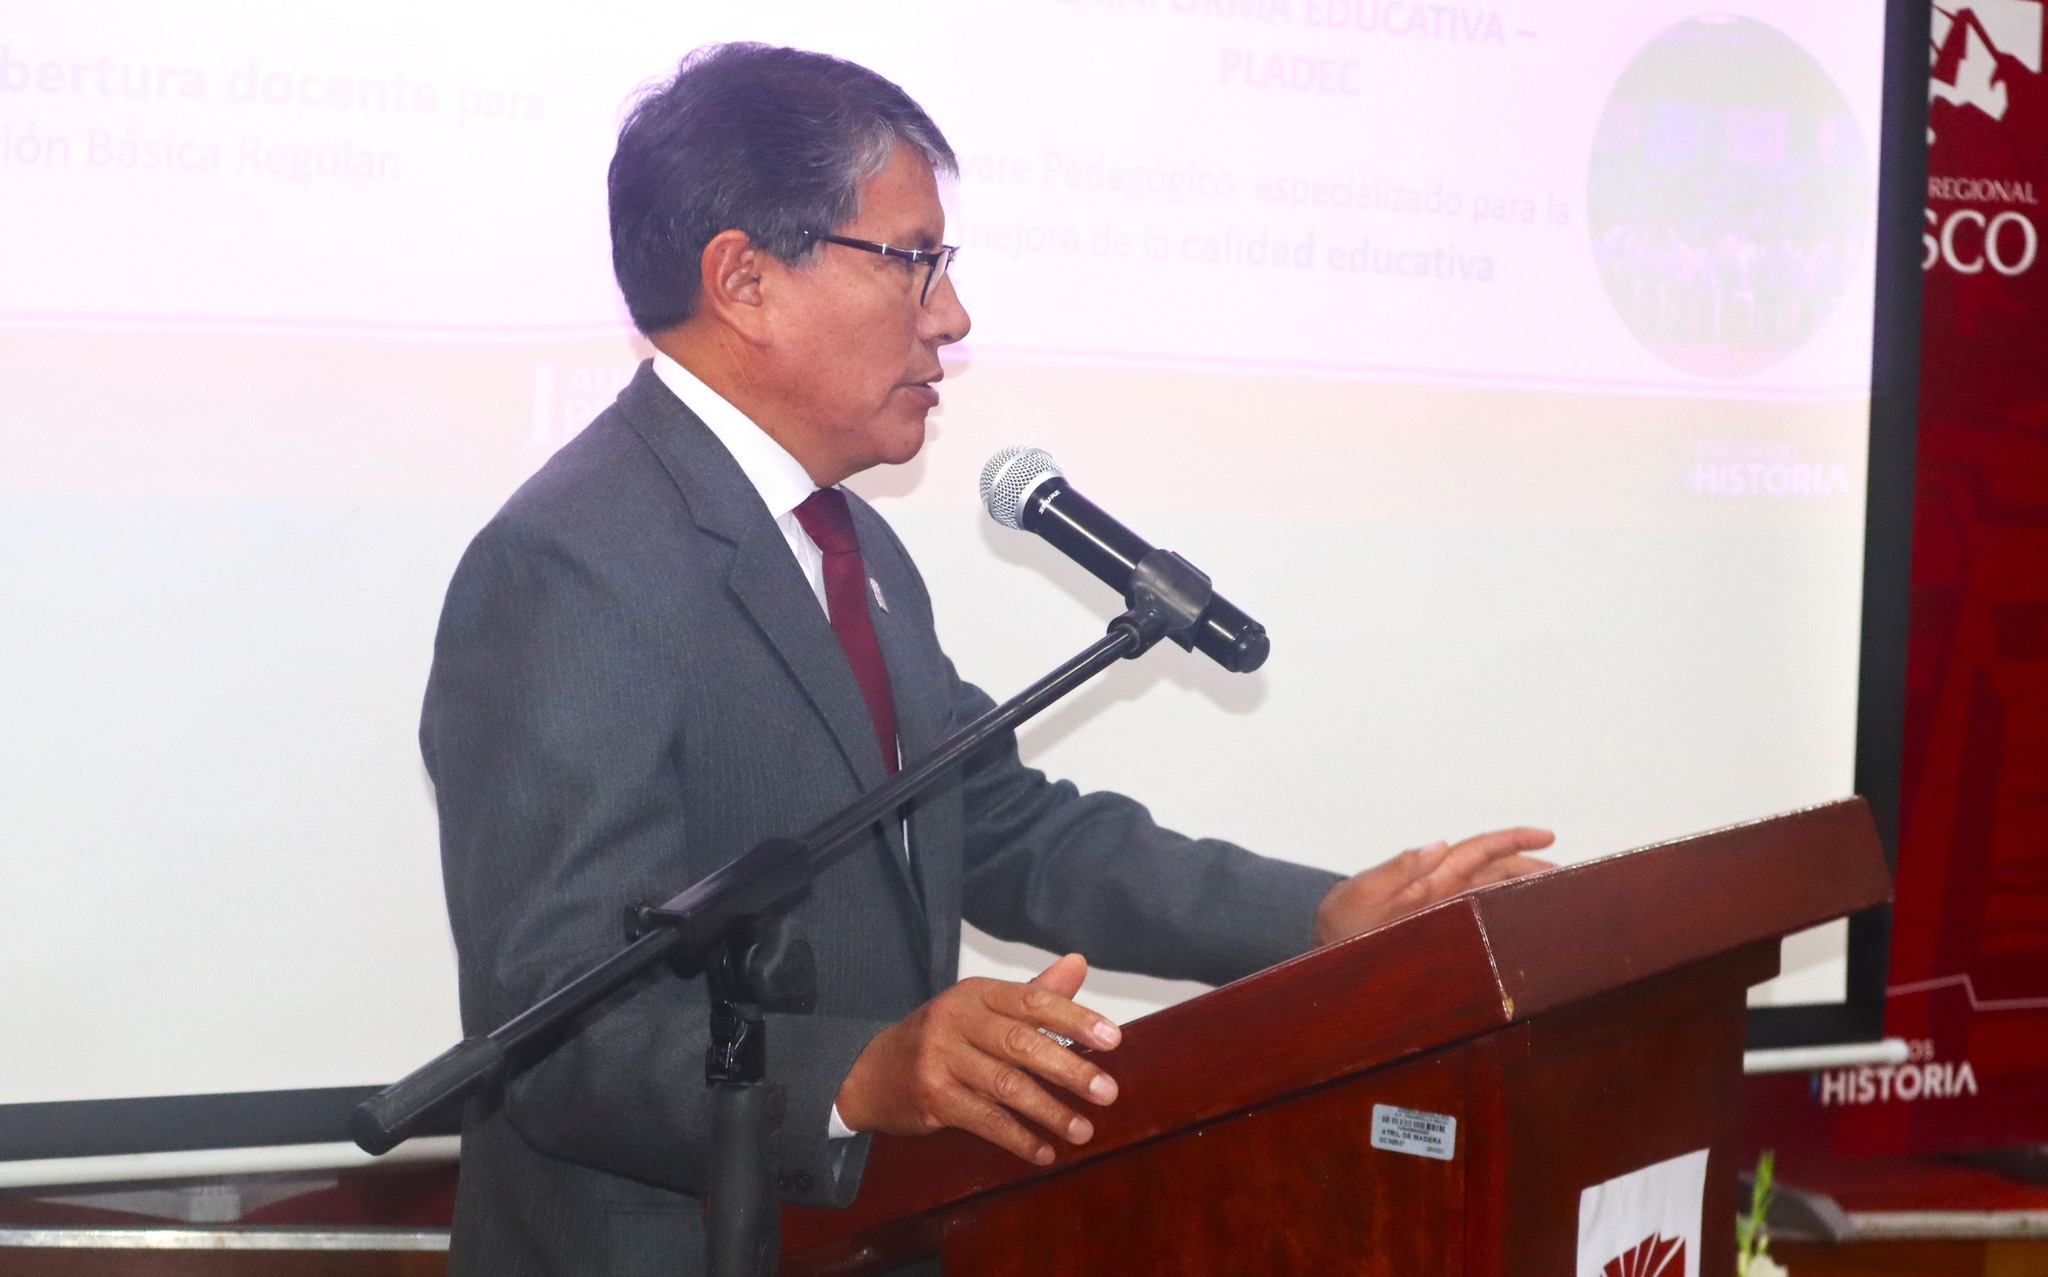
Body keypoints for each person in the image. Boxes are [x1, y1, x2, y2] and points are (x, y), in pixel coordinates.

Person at [421, 42, 1552, 1276]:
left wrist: (1323, 916)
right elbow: (555, 1028)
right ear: (744, 280)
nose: (950, 316)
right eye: (912, 260)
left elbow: (999, 826)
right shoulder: (568, 566)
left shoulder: (844, 542)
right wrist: (859, 1073)